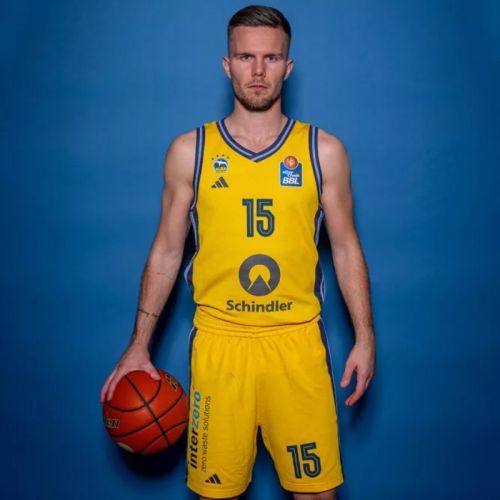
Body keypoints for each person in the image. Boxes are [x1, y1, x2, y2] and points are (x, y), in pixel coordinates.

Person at [100, 5, 375, 500]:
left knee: (317, 493)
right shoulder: (191, 151)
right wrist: (139, 343)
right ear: (227, 65)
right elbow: (166, 251)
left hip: (296, 345)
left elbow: (346, 247)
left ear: (288, 67)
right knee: (215, 495)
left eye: (271, 58)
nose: (258, 70)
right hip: (220, 346)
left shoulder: (323, 151)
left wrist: (364, 335)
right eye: (246, 57)